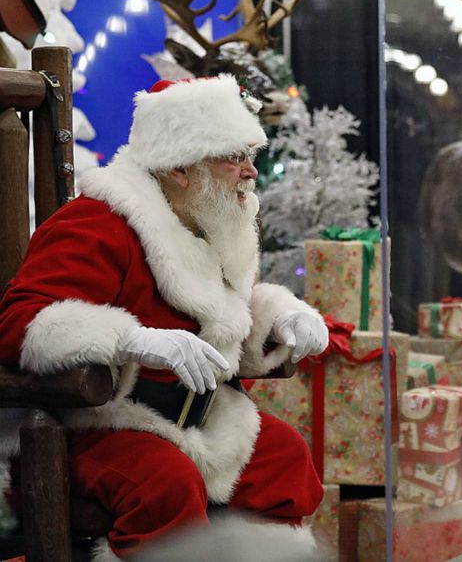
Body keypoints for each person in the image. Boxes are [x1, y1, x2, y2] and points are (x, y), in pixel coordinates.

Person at [0, 75, 329, 560]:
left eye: (249, 157)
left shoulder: (205, 218)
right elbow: (22, 324)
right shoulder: (97, 223)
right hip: (95, 422)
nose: (250, 173)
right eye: (232, 158)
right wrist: (132, 340)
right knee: (163, 485)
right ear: (179, 166)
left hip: (197, 416)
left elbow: (215, 312)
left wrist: (280, 316)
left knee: (286, 460)